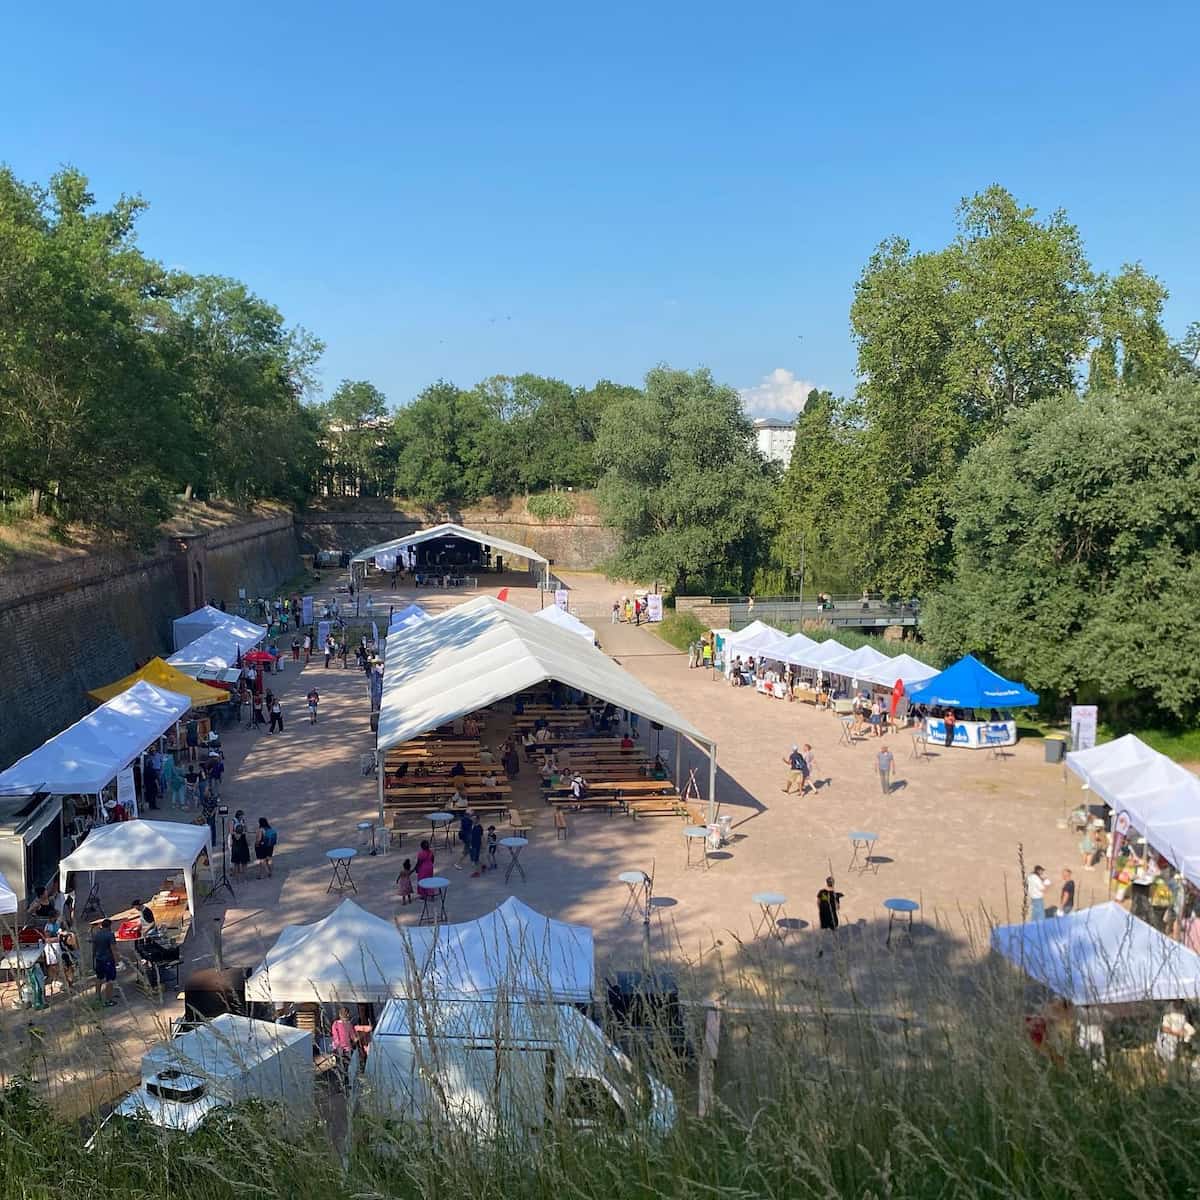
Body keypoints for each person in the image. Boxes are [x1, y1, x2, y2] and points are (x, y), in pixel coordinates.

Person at [92, 918, 118, 1007]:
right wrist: (116, 960)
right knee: (109, 980)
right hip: (108, 960)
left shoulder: (96, 934)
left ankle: (97, 996)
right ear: (109, 926)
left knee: (99, 978)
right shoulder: (110, 935)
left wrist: (93, 959)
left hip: (99, 959)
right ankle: (108, 1000)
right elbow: (113, 949)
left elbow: (94, 949)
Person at [816, 877, 843, 956]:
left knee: (822, 933)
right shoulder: (835, 895)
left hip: (823, 915)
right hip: (832, 916)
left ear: (826, 883)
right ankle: (839, 947)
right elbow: (838, 908)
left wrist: (822, 911)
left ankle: (820, 949)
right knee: (835, 932)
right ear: (833, 883)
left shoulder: (821, 892)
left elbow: (818, 902)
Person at [230, 812, 251, 879]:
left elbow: (246, 830)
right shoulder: (233, 821)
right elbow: (231, 832)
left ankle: (238, 877)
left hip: (237, 846)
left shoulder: (243, 821)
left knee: (237, 862)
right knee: (241, 863)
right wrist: (241, 833)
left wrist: (245, 827)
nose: (242, 817)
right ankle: (241, 876)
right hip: (241, 846)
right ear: (238, 816)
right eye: (242, 815)